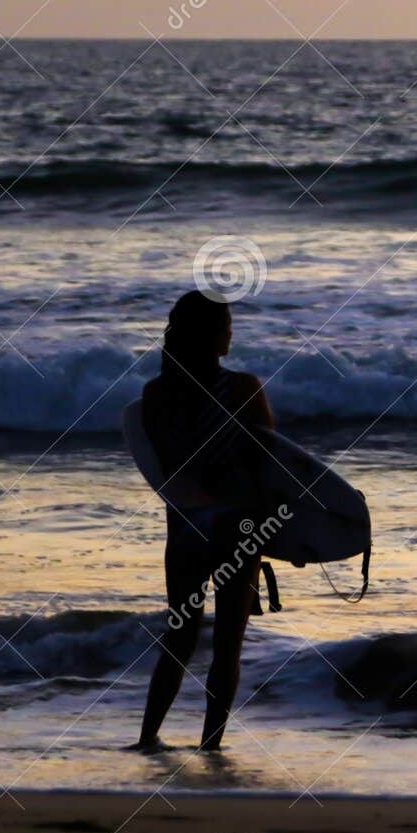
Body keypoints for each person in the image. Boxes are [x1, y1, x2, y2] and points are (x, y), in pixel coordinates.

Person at [132, 290, 275, 753]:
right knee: (227, 646)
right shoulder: (245, 389)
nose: (232, 333)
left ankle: (147, 738)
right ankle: (210, 746)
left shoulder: (155, 396)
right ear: (214, 338)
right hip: (238, 530)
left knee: (180, 636)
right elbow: (272, 466)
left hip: (187, 530)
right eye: (226, 327)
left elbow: (166, 469)